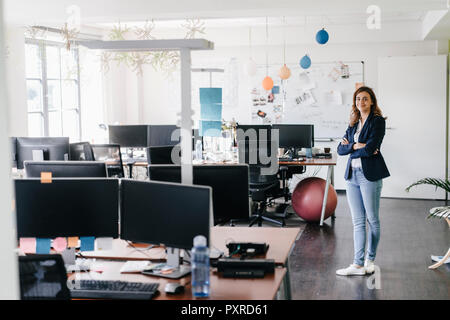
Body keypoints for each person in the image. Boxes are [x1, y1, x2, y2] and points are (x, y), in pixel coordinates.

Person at [336, 86, 390, 276]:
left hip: (370, 176)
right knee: (358, 222)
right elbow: (339, 150)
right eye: (358, 99)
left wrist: (353, 148)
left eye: (365, 99)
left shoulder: (377, 122)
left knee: (372, 220)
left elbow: (371, 149)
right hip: (352, 176)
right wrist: (356, 145)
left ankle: (370, 260)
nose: (361, 102)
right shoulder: (353, 123)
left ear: (372, 101)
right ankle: (357, 264)